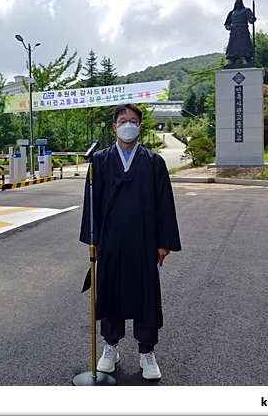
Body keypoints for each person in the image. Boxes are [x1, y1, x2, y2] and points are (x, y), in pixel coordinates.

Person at [79, 103, 182, 380]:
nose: (128, 125)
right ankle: (110, 347)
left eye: (133, 121)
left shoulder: (154, 162)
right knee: (110, 290)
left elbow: (164, 204)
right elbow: (92, 203)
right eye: (123, 121)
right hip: (110, 240)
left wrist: (163, 243)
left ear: (140, 126)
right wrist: (93, 239)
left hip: (145, 240)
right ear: (114, 127)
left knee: (145, 294)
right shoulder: (100, 161)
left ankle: (147, 351)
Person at [224, 0, 256, 66]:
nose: (238, 5)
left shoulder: (246, 10)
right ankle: (232, 60)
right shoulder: (232, 13)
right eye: (237, 3)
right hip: (234, 31)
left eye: (239, 3)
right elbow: (227, 24)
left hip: (243, 30)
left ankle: (248, 59)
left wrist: (252, 19)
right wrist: (230, 27)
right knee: (233, 46)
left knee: (245, 44)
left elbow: (250, 20)